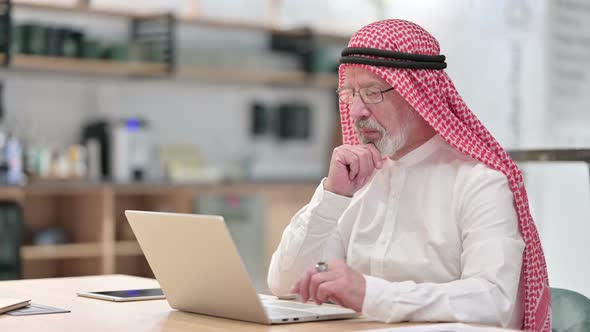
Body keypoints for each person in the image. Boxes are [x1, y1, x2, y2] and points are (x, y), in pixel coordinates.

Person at [267, 19, 550, 331]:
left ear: (418, 95)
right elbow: (285, 284)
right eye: (350, 93)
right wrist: (332, 196)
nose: (357, 111)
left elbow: (493, 301)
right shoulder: (357, 181)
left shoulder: (479, 182)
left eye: (373, 92)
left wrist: (371, 294)